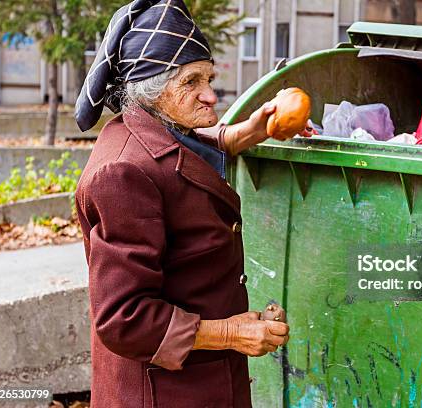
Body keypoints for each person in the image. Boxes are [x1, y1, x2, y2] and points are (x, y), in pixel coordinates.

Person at [74, 1, 309, 406]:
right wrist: (232, 333)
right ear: (151, 89)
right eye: (191, 82)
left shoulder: (156, 127)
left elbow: (186, 152)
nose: (211, 95)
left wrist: (248, 131)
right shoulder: (122, 174)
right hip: (162, 393)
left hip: (202, 382)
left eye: (209, 78)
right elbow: (123, 318)